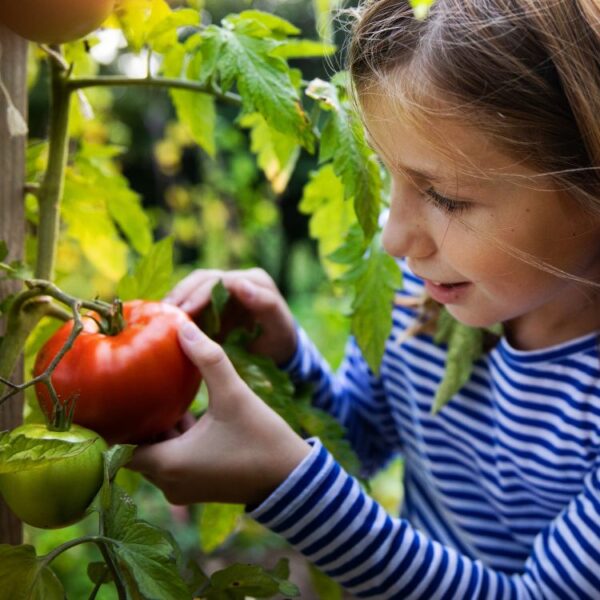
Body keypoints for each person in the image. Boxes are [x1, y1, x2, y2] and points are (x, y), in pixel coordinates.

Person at [129, 0, 600, 597]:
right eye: (387, 175)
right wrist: (287, 358)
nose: (393, 238)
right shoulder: (423, 299)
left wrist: (287, 483)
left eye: (447, 198)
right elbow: (362, 441)